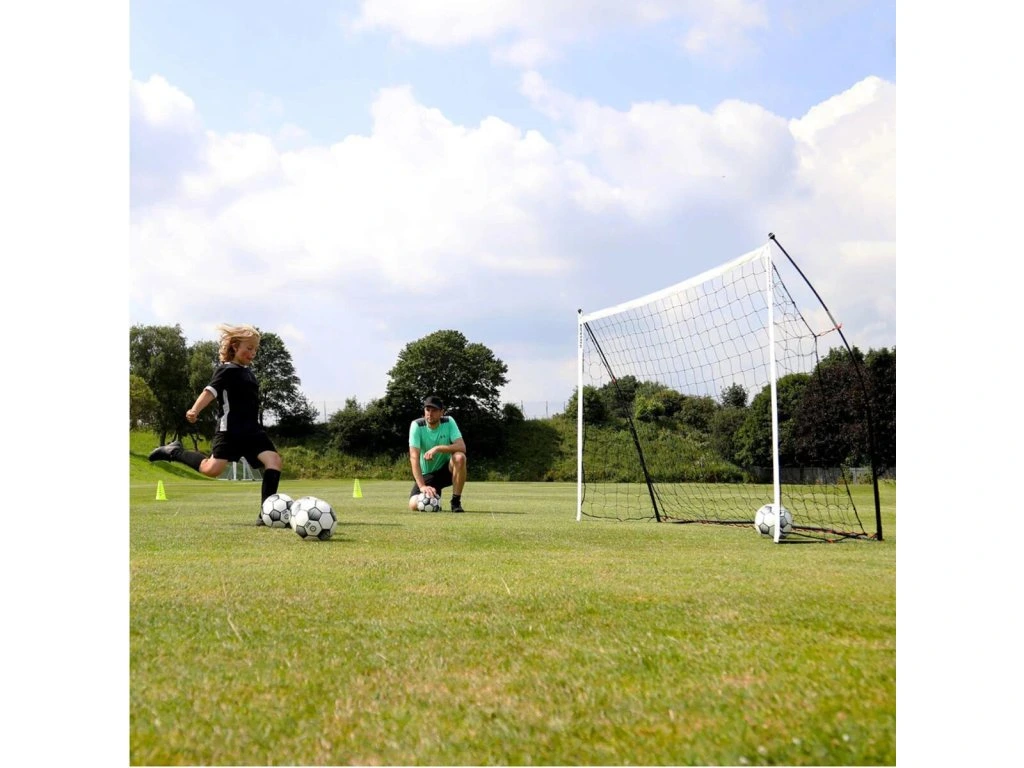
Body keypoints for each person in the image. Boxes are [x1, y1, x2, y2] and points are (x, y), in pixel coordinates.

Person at [148, 324, 284, 525]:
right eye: (249, 348)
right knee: (212, 469)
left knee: (274, 461)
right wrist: (195, 409)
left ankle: (266, 514)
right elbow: (210, 391)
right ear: (235, 346)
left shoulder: (249, 373)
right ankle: (174, 452)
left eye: (255, 349)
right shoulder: (226, 370)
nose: (253, 353)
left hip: (253, 431)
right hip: (230, 431)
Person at [408, 395, 467, 513]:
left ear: (442, 412)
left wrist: (437, 448)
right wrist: (422, 486)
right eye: (427, 410)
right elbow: (414, 458)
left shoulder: (448, 421)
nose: (430, 413)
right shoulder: (417, 425)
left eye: (434, 410)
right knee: (413, 505)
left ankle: (455, 502)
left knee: (459, 457)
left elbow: (462, 447)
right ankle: (435, 501)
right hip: (426, 475)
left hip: (446, 471)